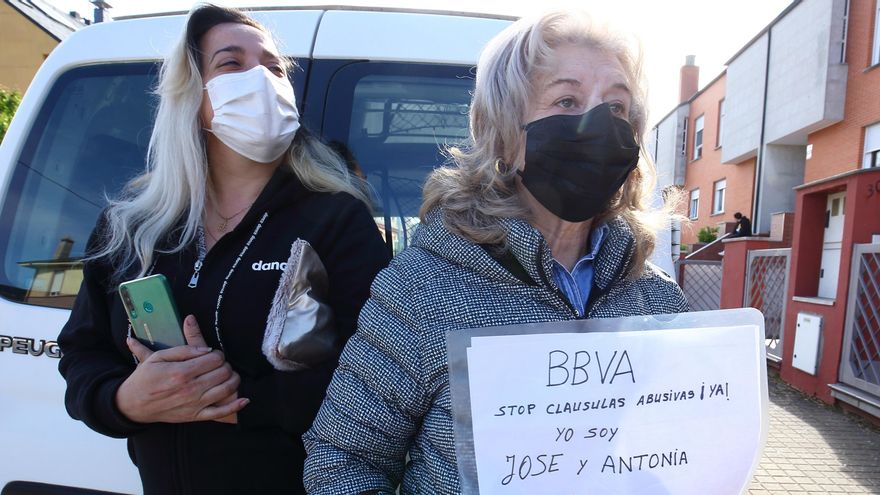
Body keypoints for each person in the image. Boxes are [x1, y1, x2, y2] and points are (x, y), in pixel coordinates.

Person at [302, 10, 688, 494]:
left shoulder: (657, 299)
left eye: (616, 108)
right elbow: (341, 461)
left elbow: (680, 447)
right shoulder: (422, 289)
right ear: (505, 130)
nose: (595, 126)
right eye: (566, 100)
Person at [57, 5, 389, 494]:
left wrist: (236, 400)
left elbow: (379, 374)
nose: (260, 78)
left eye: (274, 68)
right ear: (190, 95)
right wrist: (124, 400)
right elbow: (81, 354)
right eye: (231, 63)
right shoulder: (131, 226)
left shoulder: (337, 218)